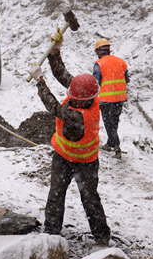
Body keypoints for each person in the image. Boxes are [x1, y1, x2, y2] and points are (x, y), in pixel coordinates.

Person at [29, 34, 111, 245]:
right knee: (59, 195)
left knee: (88, 199)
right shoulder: (86, 93)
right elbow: (62, 74)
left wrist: (39, 81)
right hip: (69, 157)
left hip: (83, 162)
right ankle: (52, 234)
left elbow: (54, 107)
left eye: (73, 96)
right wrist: (55, 52)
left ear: (81, 99)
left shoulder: (81, 116)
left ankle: (102, 237)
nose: (70, 96)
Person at [92, 38, 130, 159]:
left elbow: (95, 82)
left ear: (98, 52)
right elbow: (127, 79)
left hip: (107, 100)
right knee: (114, 122)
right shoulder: (121, 62)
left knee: (109, 124)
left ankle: (117, 148)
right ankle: (109, 144)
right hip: (120, 98)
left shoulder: (99, 64)